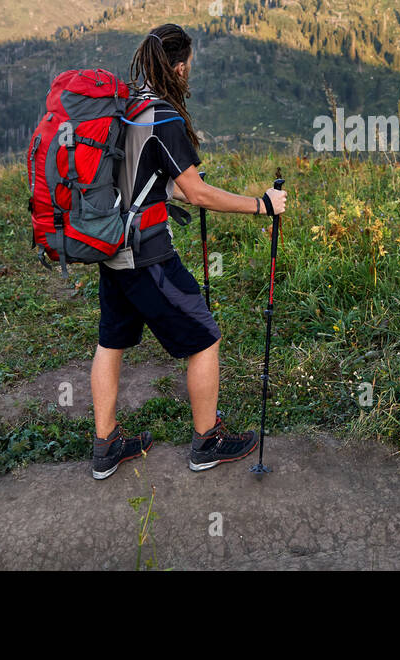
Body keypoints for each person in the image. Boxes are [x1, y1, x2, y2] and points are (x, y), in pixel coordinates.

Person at [90, 23, 287, 479]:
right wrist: (261, 205)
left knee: (111, 341)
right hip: (147, 255)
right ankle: (207, 441)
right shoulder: (165, 118)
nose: (188, 74)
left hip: (110, 247)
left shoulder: (128, 107)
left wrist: (175, 189)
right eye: (188, 66)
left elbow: (145, 179)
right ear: (178, 66)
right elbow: (196, 194)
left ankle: (106, 445)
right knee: (204, 339)